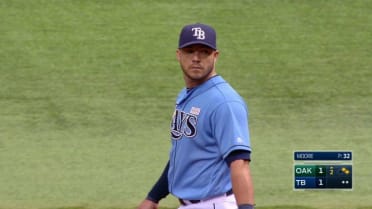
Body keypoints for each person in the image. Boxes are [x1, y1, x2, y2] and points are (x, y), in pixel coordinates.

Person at [137, 23, 255, 209]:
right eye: (190, 51)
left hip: (215, 204)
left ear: (215, 56)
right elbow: (184, 155)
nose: (196, 58)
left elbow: (239, 162)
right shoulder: (187, 96)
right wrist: (153, 197)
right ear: (179, 55)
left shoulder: (225, 102)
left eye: (204, 52)